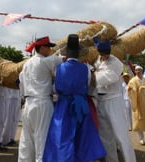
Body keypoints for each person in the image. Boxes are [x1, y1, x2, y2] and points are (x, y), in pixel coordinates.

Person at [43, 34, 106, 162]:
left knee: (62, 135)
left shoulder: (59, 68)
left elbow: (55, 88)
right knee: (82, 136)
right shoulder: (86, 68)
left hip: (63, 106)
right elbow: (88, 86)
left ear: (67, 53)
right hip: (81, 105)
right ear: (79, 54)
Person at [18, 36, 63, 162]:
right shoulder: (47, 61)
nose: (50, 50)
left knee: (26, 141)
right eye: (48, 47)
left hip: (28, 103)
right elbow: (64, 60)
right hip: (42, 102)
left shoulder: (26, 64)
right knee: (42, 140)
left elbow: (21, 84)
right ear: (41, 48)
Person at [93, 39, 136, 162]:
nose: (104, 56)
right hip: (100, 100)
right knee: (106, 137)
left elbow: (105, 78)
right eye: (102, 53)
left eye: (106, 54)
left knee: (122, 136)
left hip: (113, 100)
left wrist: (91, 74)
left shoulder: (116, 63)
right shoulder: (97, 60)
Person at [127, 65, 145, 145]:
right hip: (138, 102)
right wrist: (132, 90)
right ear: (135, 71)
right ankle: (141, 138)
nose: (138, 71)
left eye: (139, 70)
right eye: (136, 70)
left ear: (142, 71)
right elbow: (130, 90)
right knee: (139, 121)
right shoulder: (133, 81)